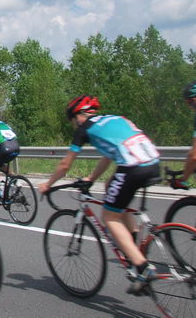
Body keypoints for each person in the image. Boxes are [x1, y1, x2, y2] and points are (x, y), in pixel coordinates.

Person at [38, 96, 161, 295]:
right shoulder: (113, 119)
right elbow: (108, 155)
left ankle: (142, 267)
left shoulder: (84, 129)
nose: (73, 125)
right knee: (111, 189)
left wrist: (48, 184)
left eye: (72, 121)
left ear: (78, 116)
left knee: (109, 217)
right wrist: (91, 178)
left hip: (133, 168)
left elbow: (65, 164)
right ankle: (134, 244)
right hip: (153, 163)